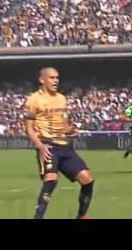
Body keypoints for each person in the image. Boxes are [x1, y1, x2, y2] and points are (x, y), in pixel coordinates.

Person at [24, 67, 94, 219]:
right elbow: (29, 129)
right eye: (51, 78)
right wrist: (40, 146)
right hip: (48, 145)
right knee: (51, 180)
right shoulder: (33, 100)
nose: (55, 81)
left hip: (65, 146)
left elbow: (62, 123)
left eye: (57, 78)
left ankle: (81, 216)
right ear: (42, 80)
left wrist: (70, 130)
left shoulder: (62, 98)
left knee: (87, 180)